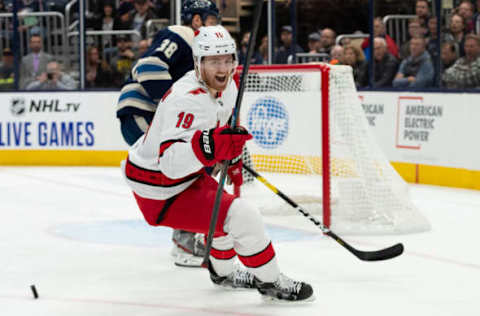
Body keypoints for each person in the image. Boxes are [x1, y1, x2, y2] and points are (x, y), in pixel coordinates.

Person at [122, 24, 314, 302]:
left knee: (223, 215)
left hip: (182, 178)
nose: (223, 68)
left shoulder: (230, 85)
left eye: (227, 60)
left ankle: (222, 273)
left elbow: (215, 127)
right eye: (214, 61)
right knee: (244, 217)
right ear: (198, 63)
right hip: (159, 189)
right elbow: (171, 164)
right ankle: (271, 282)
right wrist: (212, 145)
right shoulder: (184, 100)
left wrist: (228, 150)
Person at [116, 0, 221, 267]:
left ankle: (185, 238)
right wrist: (174, 107)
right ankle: (184, 242)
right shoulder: (182, 34)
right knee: (190, 167)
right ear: (196, 20)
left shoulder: (202, 53)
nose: (216, 26)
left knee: (197, 163)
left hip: (158, 120)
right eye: (211, 19)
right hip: (144, 116)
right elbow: (148, 67)